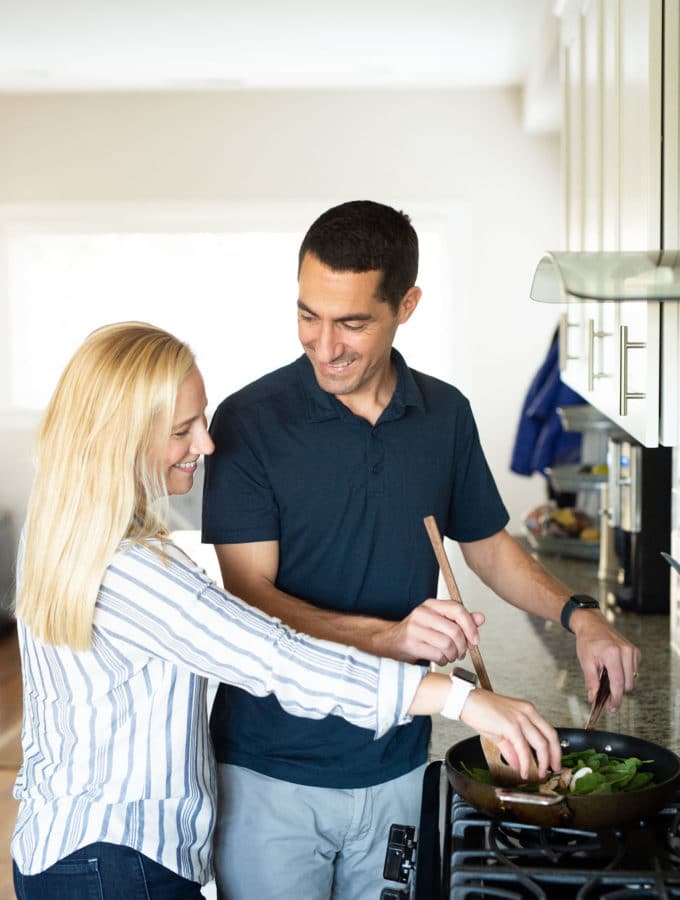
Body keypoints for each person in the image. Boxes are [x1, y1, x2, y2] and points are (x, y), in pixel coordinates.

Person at [11, 321, 561, 900]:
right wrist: (464, 700)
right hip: (120, 865)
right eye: (183, 430)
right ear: (120, 438)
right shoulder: (132, 574)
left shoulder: (58, 535)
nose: (206, 444)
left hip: (65, 848)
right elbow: (280, 659)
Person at [202, 200, 641, 900]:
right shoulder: (250, 422)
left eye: (351, 322)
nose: (324, 344)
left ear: (406, 304)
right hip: (272, 766)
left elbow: (489, 547)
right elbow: (252, 597)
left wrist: (580, 615)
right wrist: (393, 636)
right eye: (307, 315)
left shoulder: (443, 413)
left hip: (398, 760)